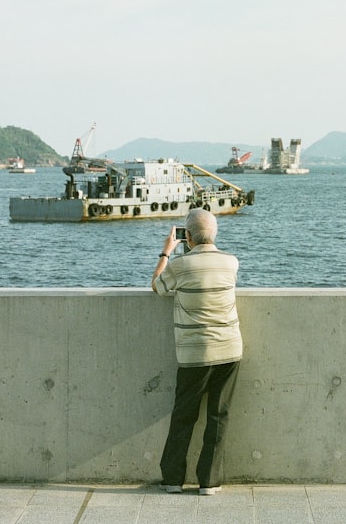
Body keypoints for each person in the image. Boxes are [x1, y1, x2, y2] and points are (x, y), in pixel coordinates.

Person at [151, 209, 242, 496]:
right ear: (214, 234)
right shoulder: (231, 262)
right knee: (218, 415)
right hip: (229, 348)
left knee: (184, 416)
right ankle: (209, 482)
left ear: (186, 237)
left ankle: (173, 479)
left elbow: (157, 286)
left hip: (194, 353)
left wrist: (166, 253)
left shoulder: (180, 265)